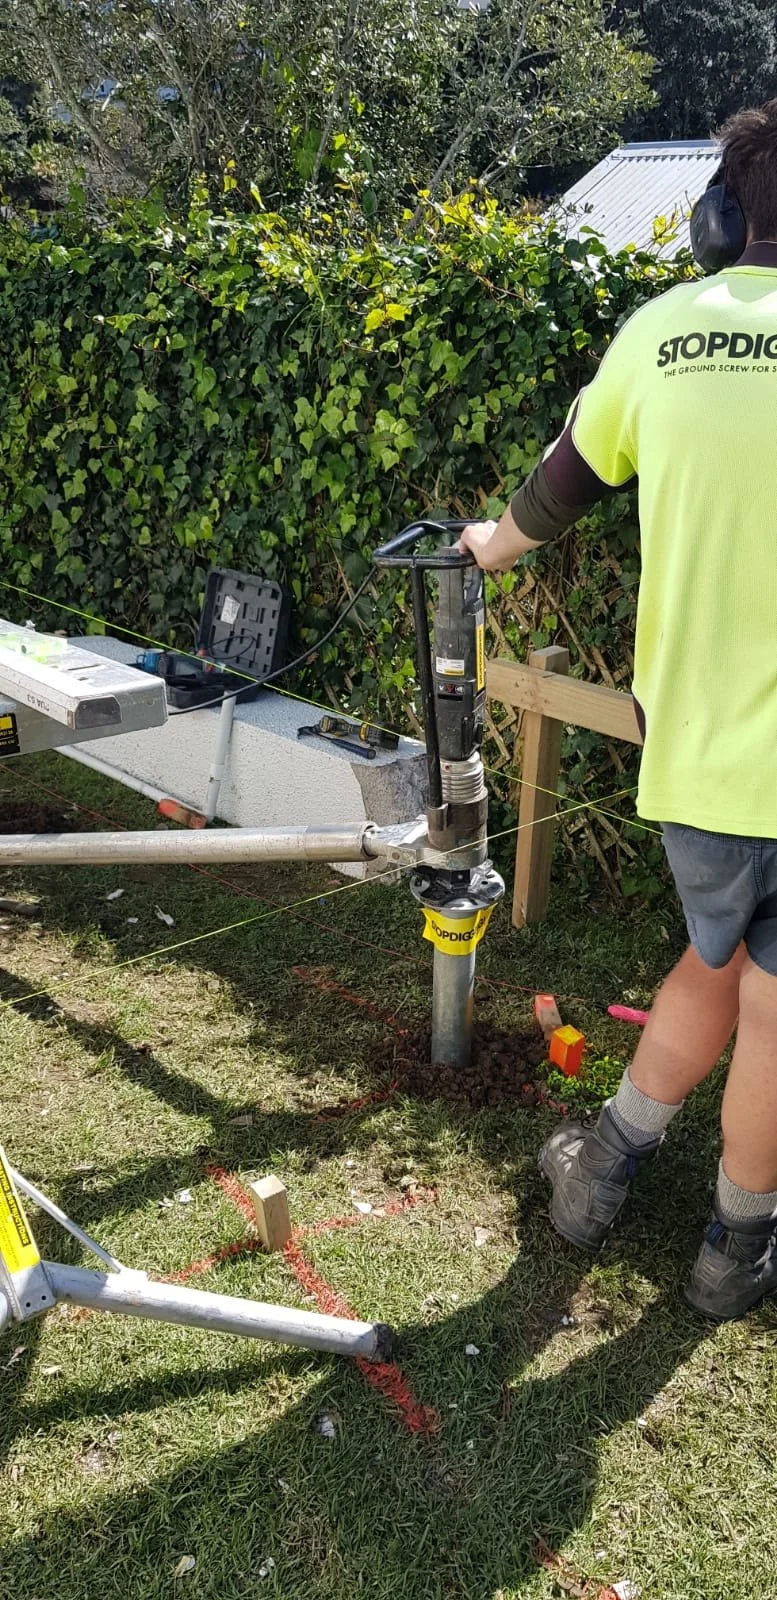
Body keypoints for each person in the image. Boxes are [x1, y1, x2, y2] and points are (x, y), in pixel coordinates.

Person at [459, 99, 777, 1322]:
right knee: (768, 998)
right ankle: (732, 1251)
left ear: (719, 220)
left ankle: (598, 1175)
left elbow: (550, 495)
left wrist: (486, 547)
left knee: (718, 955)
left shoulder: (661, 335)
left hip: (693, 759)